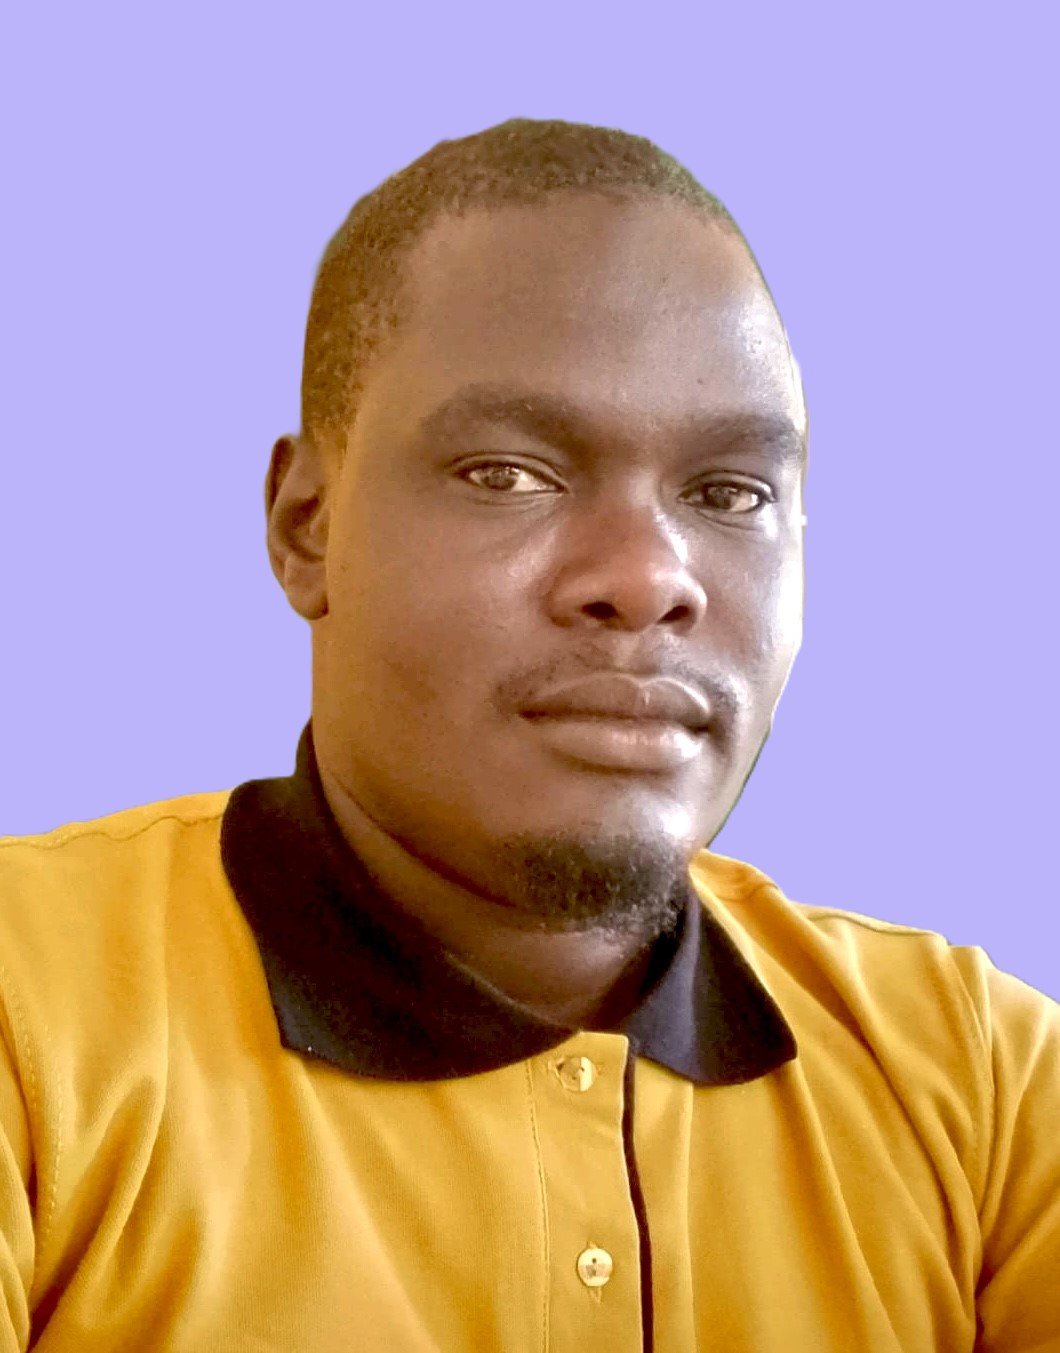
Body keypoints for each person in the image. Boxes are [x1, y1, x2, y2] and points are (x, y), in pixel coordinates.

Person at [0, 118, 1056, 1353]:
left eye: (728, 495)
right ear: (305, 526)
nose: (648, 577)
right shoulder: (33, 1012)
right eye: (511, 473)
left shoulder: (979, 1080)